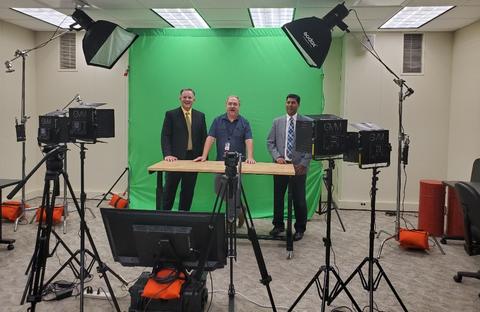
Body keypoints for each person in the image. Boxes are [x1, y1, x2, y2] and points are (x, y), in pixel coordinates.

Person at [194, 95, 255, 227]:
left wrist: (250, 157)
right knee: (219, 189)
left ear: (239, 106)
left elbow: (248, 140)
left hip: (238, 164)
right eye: (230, 103)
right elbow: (210, 137)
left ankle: (230, 220)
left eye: (235, 104)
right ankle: (240, 210)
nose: (232, 106)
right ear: (226, 105)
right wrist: (204, 156)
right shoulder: (217, 121)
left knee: (234, 191)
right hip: (220, 162)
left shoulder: (245, 122)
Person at [267, 94, 312, 241]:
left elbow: (309, 146)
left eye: (293, 103)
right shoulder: (277, 122)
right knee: (278, 198)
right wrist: (277, 157)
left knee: (299, 199)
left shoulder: (306, 122)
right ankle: (278, 225)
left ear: (298, 104)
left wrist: (304, 164)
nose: (290, 105)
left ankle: (300, 228)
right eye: (287, 102)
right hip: (281, 166)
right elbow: (270, 142)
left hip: (298, 168)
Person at [161, 88, 207, 211]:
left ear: (194, 99)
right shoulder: (171, 114)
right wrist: (167, 154)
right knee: (169, 191)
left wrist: (204, 156)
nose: (187, 99)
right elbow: (165, 136)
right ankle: (163, 217)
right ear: (180, 98)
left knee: (188, 191)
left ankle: (183, 217)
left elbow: (204, 137)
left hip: (193, 159)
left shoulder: (200, 116)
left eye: (189, 97)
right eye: (184, 97)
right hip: (174, 160)